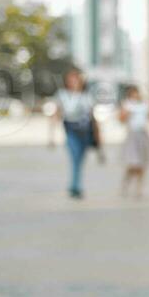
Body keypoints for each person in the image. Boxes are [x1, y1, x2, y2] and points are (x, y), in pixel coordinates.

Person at [54, 67, 103, 199]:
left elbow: (93, 117)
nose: (74, 81)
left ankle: (75, 184)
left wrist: (98, 137)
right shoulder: (62, 95)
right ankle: (75, 186)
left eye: (76, 79)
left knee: (80, 159)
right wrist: (51, 135)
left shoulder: (87, 96)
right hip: (71, 130)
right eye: (71, 79)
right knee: (75, 157)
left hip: (85, 132)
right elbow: (57, 114)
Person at [116, 84, 149, 198]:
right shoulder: (127, 105)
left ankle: (139, 188)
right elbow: (120, 119)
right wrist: (126, 114)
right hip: (132, 135)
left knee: (141, 164)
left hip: (143, 135)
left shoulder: (143, 105)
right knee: (133, 163)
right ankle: (126, 183)